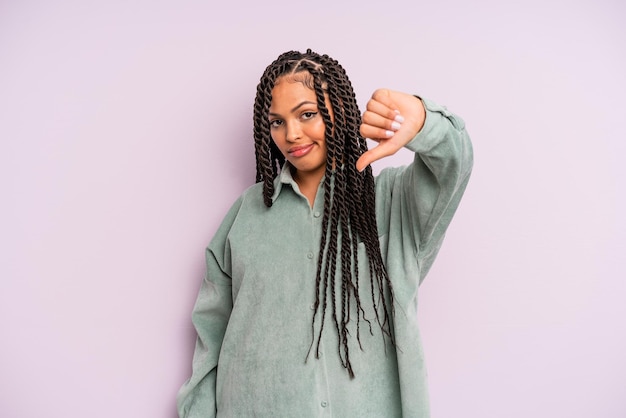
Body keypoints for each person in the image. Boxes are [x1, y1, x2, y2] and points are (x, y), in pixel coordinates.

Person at [177, 49, 473, 417]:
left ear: (339, 111)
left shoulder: (392, 201)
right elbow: (211, 333)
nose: (291, 134)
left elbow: (452, 167)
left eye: (307, 114)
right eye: (277, 122)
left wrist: (427, 122)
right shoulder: (247, 213)